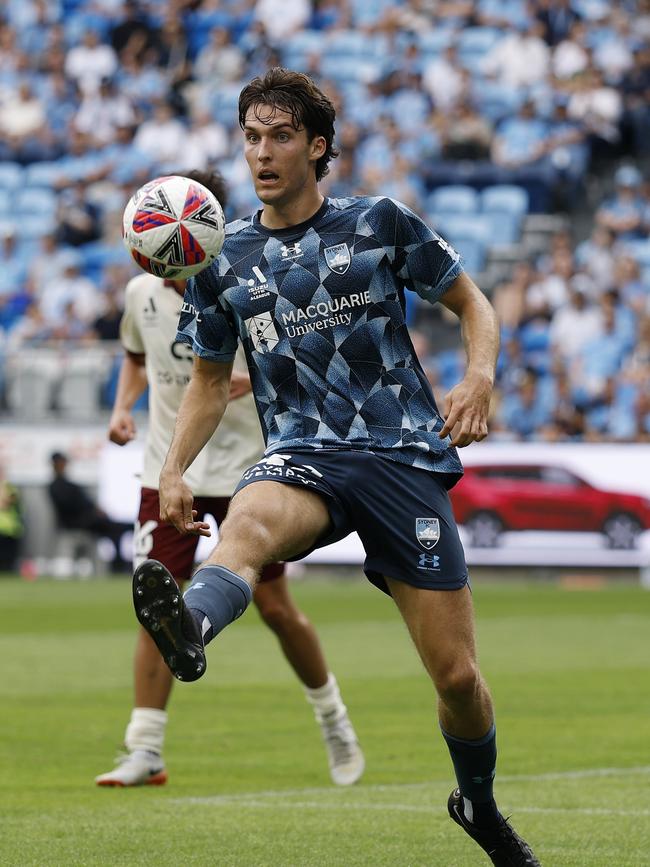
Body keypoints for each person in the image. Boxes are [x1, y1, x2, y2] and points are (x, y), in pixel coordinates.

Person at [134, 69, 540, 866]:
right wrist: (176, 469)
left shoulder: (380, 222)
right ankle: (192, 624)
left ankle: (478, 802)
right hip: (302, 455)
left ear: (318, 147)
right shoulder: (223, 259)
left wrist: (480, 375)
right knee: (246, 523)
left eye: (280, 136)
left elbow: (474, 303)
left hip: (400, 456)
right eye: (251, 137)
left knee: (458, 678)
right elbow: (211, 381)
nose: (262, 153)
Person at [96, 168, 363, 789]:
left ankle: (332, 716)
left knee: (273, 605)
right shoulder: (141, 296)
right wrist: (120, 407)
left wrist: (232, 382)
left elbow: (284, 364)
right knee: (157, 606)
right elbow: (137, 357)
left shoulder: (246, 282)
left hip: (249, 468)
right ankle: (145, 747)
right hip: (168, 470)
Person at [47, 452, 130, 572]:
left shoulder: (69, 485)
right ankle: (118, 567)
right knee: (115, 528)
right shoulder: (57, 487)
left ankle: (118, 566)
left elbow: (86, 503)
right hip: (75, 527)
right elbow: (74, 506)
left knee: (116, 529)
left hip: (87, 526)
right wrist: (92, 512)